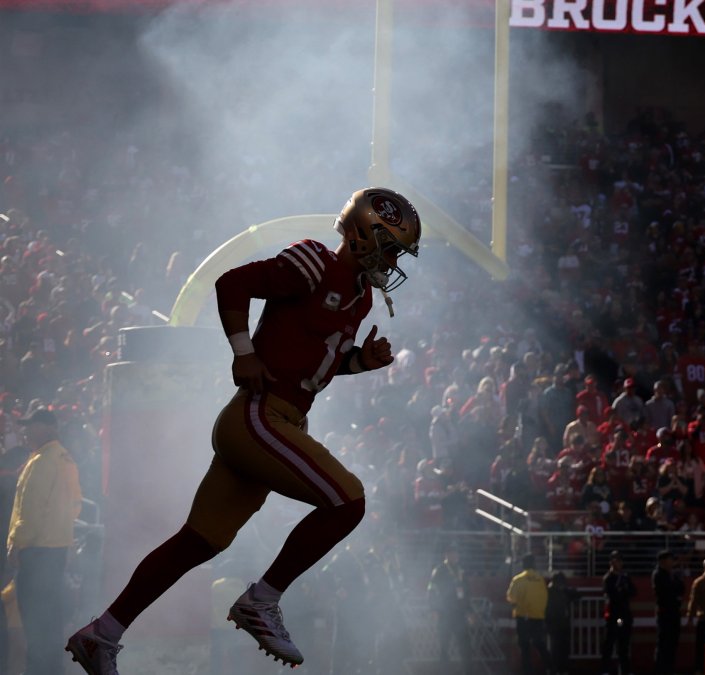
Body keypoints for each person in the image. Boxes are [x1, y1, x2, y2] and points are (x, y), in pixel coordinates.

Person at [66, 187, 422, 673]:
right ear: (364, 232)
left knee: (199, 541)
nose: (394, 259)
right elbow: (232, 283)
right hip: (258, 415)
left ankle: (101, 633)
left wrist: (362, 362)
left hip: (277, 418)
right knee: (348, 500)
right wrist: (244, 353)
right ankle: (262, 599)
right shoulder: (315, 262)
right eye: (392, 246)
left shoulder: (360, 297)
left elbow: (315, 361)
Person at [6, 408, 81, 675]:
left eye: (32, 426)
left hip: (36, 553)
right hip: (57, 551)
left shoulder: (41, 461)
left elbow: (30, 510)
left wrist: (17, 543)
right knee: (51, 624)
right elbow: (75, 505)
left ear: (49, 428)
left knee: (36, 627)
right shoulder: (66, 459)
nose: (26, 431)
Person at [428, 544, 471, 673]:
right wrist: (433, 609)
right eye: (452, 553)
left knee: (465, 645)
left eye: (456, 553)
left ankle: (467, 672)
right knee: (444, 646)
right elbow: (431, 590)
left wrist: (469, 610)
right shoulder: (439, 570)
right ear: (446, 555)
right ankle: (444, 672)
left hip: (459, 613)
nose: (455, 556)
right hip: (444, 613)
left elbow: (467, 592)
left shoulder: (461, 570)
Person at [507, 553, 550, 675]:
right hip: (538, 617)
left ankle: (528, 671)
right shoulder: (540, 579)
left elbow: (511, 597)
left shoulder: (518, 579)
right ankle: (551, 667)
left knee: (524, 646)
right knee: (539, 643)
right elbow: (544, 597)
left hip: (523, 617)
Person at [602, 550, 637, 675]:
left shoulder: (625, 577)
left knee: (624, 645)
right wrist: (621, 590)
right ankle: (605, 669)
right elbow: (612, 593)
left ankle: (625, 670)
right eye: (615, 560)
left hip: (624, 614)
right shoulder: (608, 578)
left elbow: (633, 592)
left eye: (620, 560)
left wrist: (624, 590)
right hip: (613, 615)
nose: (618, 563)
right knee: (609, 644)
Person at [652, 549, 685, 674]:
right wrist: (675, 593)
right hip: (665, 613)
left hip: (674, 612)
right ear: (663, 561)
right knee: (664, 643)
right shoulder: (658, 574)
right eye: (670, 559)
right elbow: (666, 591)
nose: (673, 562)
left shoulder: (673, 574)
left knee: (673, 642)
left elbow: (681, 588)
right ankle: (661, 669)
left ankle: (670, 668)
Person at [545, 571, 581, 675]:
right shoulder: (552, 591)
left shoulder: (551, 591)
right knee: (558, 649)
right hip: (557, 624)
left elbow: (577, 595)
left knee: (559, 648)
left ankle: (559, 669)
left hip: (558, 624)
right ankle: (558, 669)